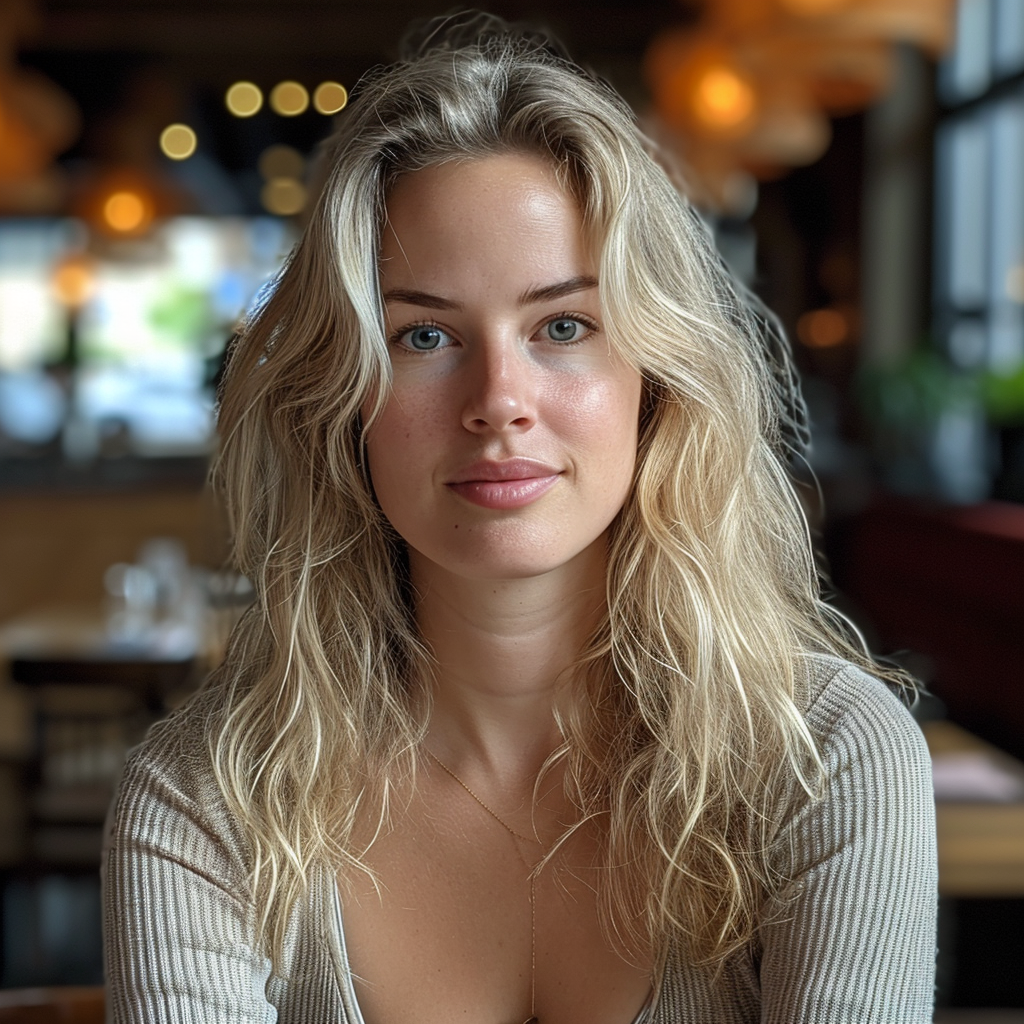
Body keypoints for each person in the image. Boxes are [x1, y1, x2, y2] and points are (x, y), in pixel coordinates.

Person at [103, 14, 937, 1024]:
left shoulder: (828, 760)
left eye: (564, 325)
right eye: (422, 334)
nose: (498, 397)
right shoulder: (204, 799)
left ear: (656, 380)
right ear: (342, 403)